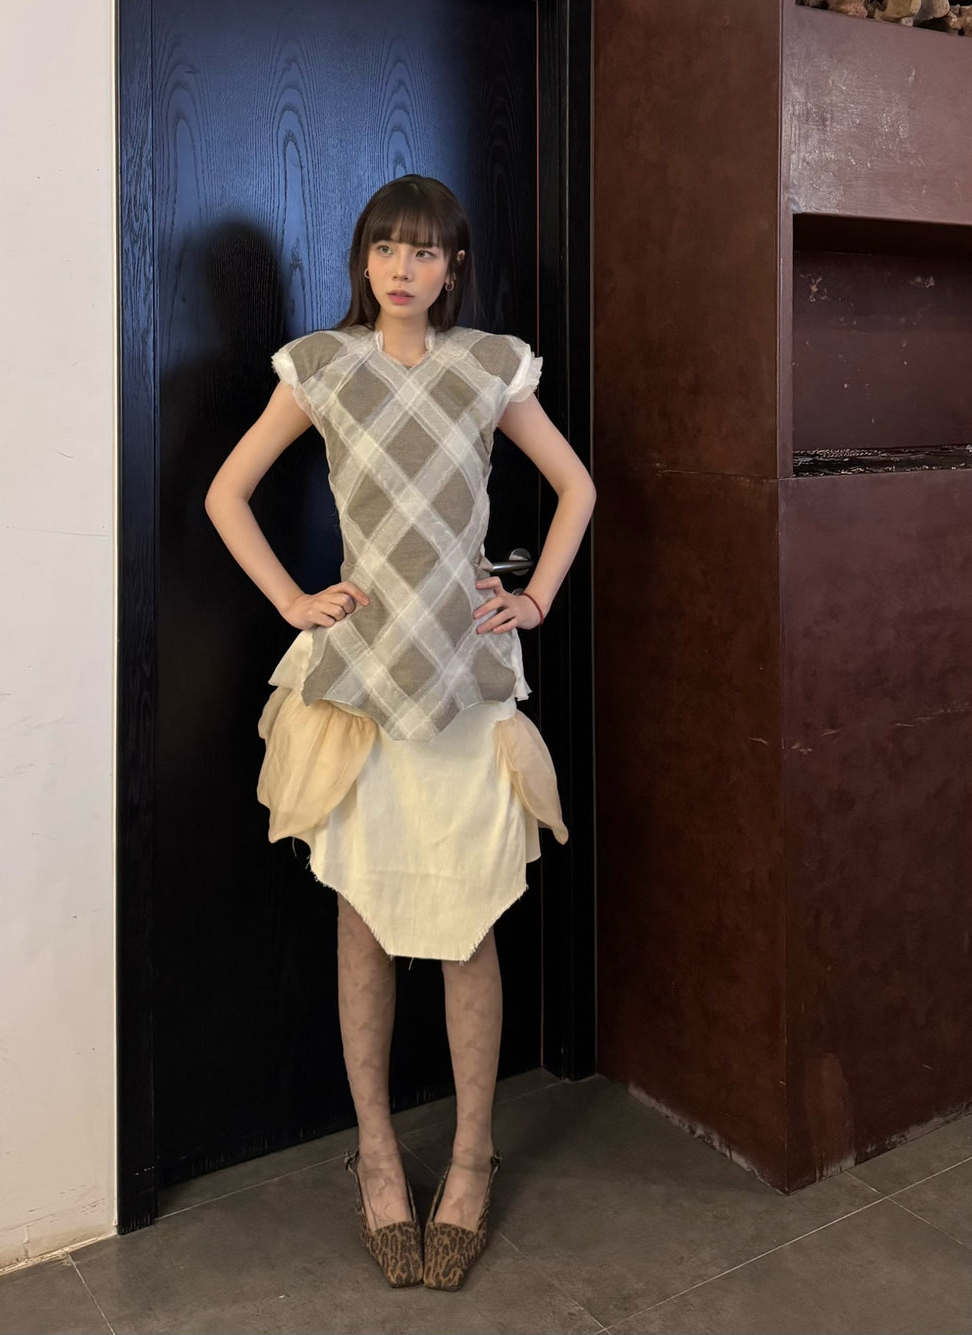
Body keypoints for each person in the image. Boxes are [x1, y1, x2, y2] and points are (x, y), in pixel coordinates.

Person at [205, 174, 595, 1290]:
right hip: (362, 683)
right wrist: (294, 599)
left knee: (471, 922)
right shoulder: (321, 367)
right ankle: (376, 1157)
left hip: (466, 681)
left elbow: (576, 488)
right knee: (363, 918)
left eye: (426, 251)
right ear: (363, 258)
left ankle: (471, 1157)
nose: (404, 268)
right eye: (386, 247)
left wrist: (536, 597)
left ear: (453, 267)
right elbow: (227, 494)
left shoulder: (489, 366)